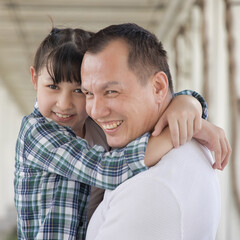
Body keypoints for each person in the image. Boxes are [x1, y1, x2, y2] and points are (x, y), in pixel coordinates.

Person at [14, 27, 215, 240]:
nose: (64, 104)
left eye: (79, 91)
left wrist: (189, 104)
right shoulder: (37, 133)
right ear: (34, 79)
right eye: (53, 86)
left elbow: (158, 97)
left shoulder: (94, 122)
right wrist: (174, 133)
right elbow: (107, 168)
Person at [80, 23, 231, 240]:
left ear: (158, 87)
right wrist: (188, 103)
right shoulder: (174, 147)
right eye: (88, 93)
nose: (95, 111)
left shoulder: (150, 188)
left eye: (111, 91)